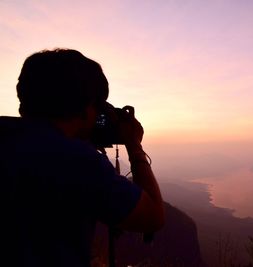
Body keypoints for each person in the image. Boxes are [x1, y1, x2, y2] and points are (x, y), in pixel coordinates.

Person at [0, 49, 165, 267]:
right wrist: (134, 144)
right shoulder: (74, 160)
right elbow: (152, 216)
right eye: (98, 108)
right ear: (86, 110)